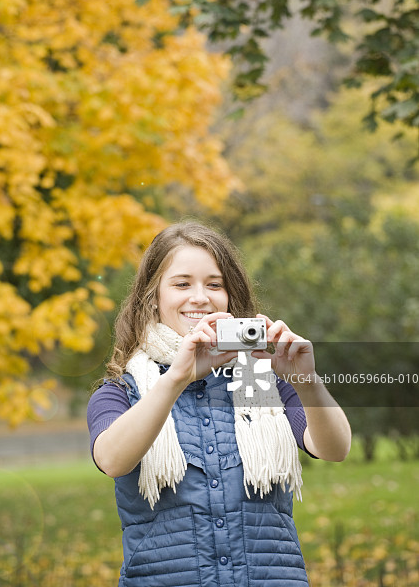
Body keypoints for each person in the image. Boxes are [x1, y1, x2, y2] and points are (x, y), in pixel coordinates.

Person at [87, 221, 351, 587]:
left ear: (230, 295)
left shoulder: (265, 381)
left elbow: (335, 448)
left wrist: (305, 380)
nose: (200, 297)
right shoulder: (121, 391)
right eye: (182, 284)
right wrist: (176, 379)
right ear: (153, 297)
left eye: (214, 284)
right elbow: (113, 460)